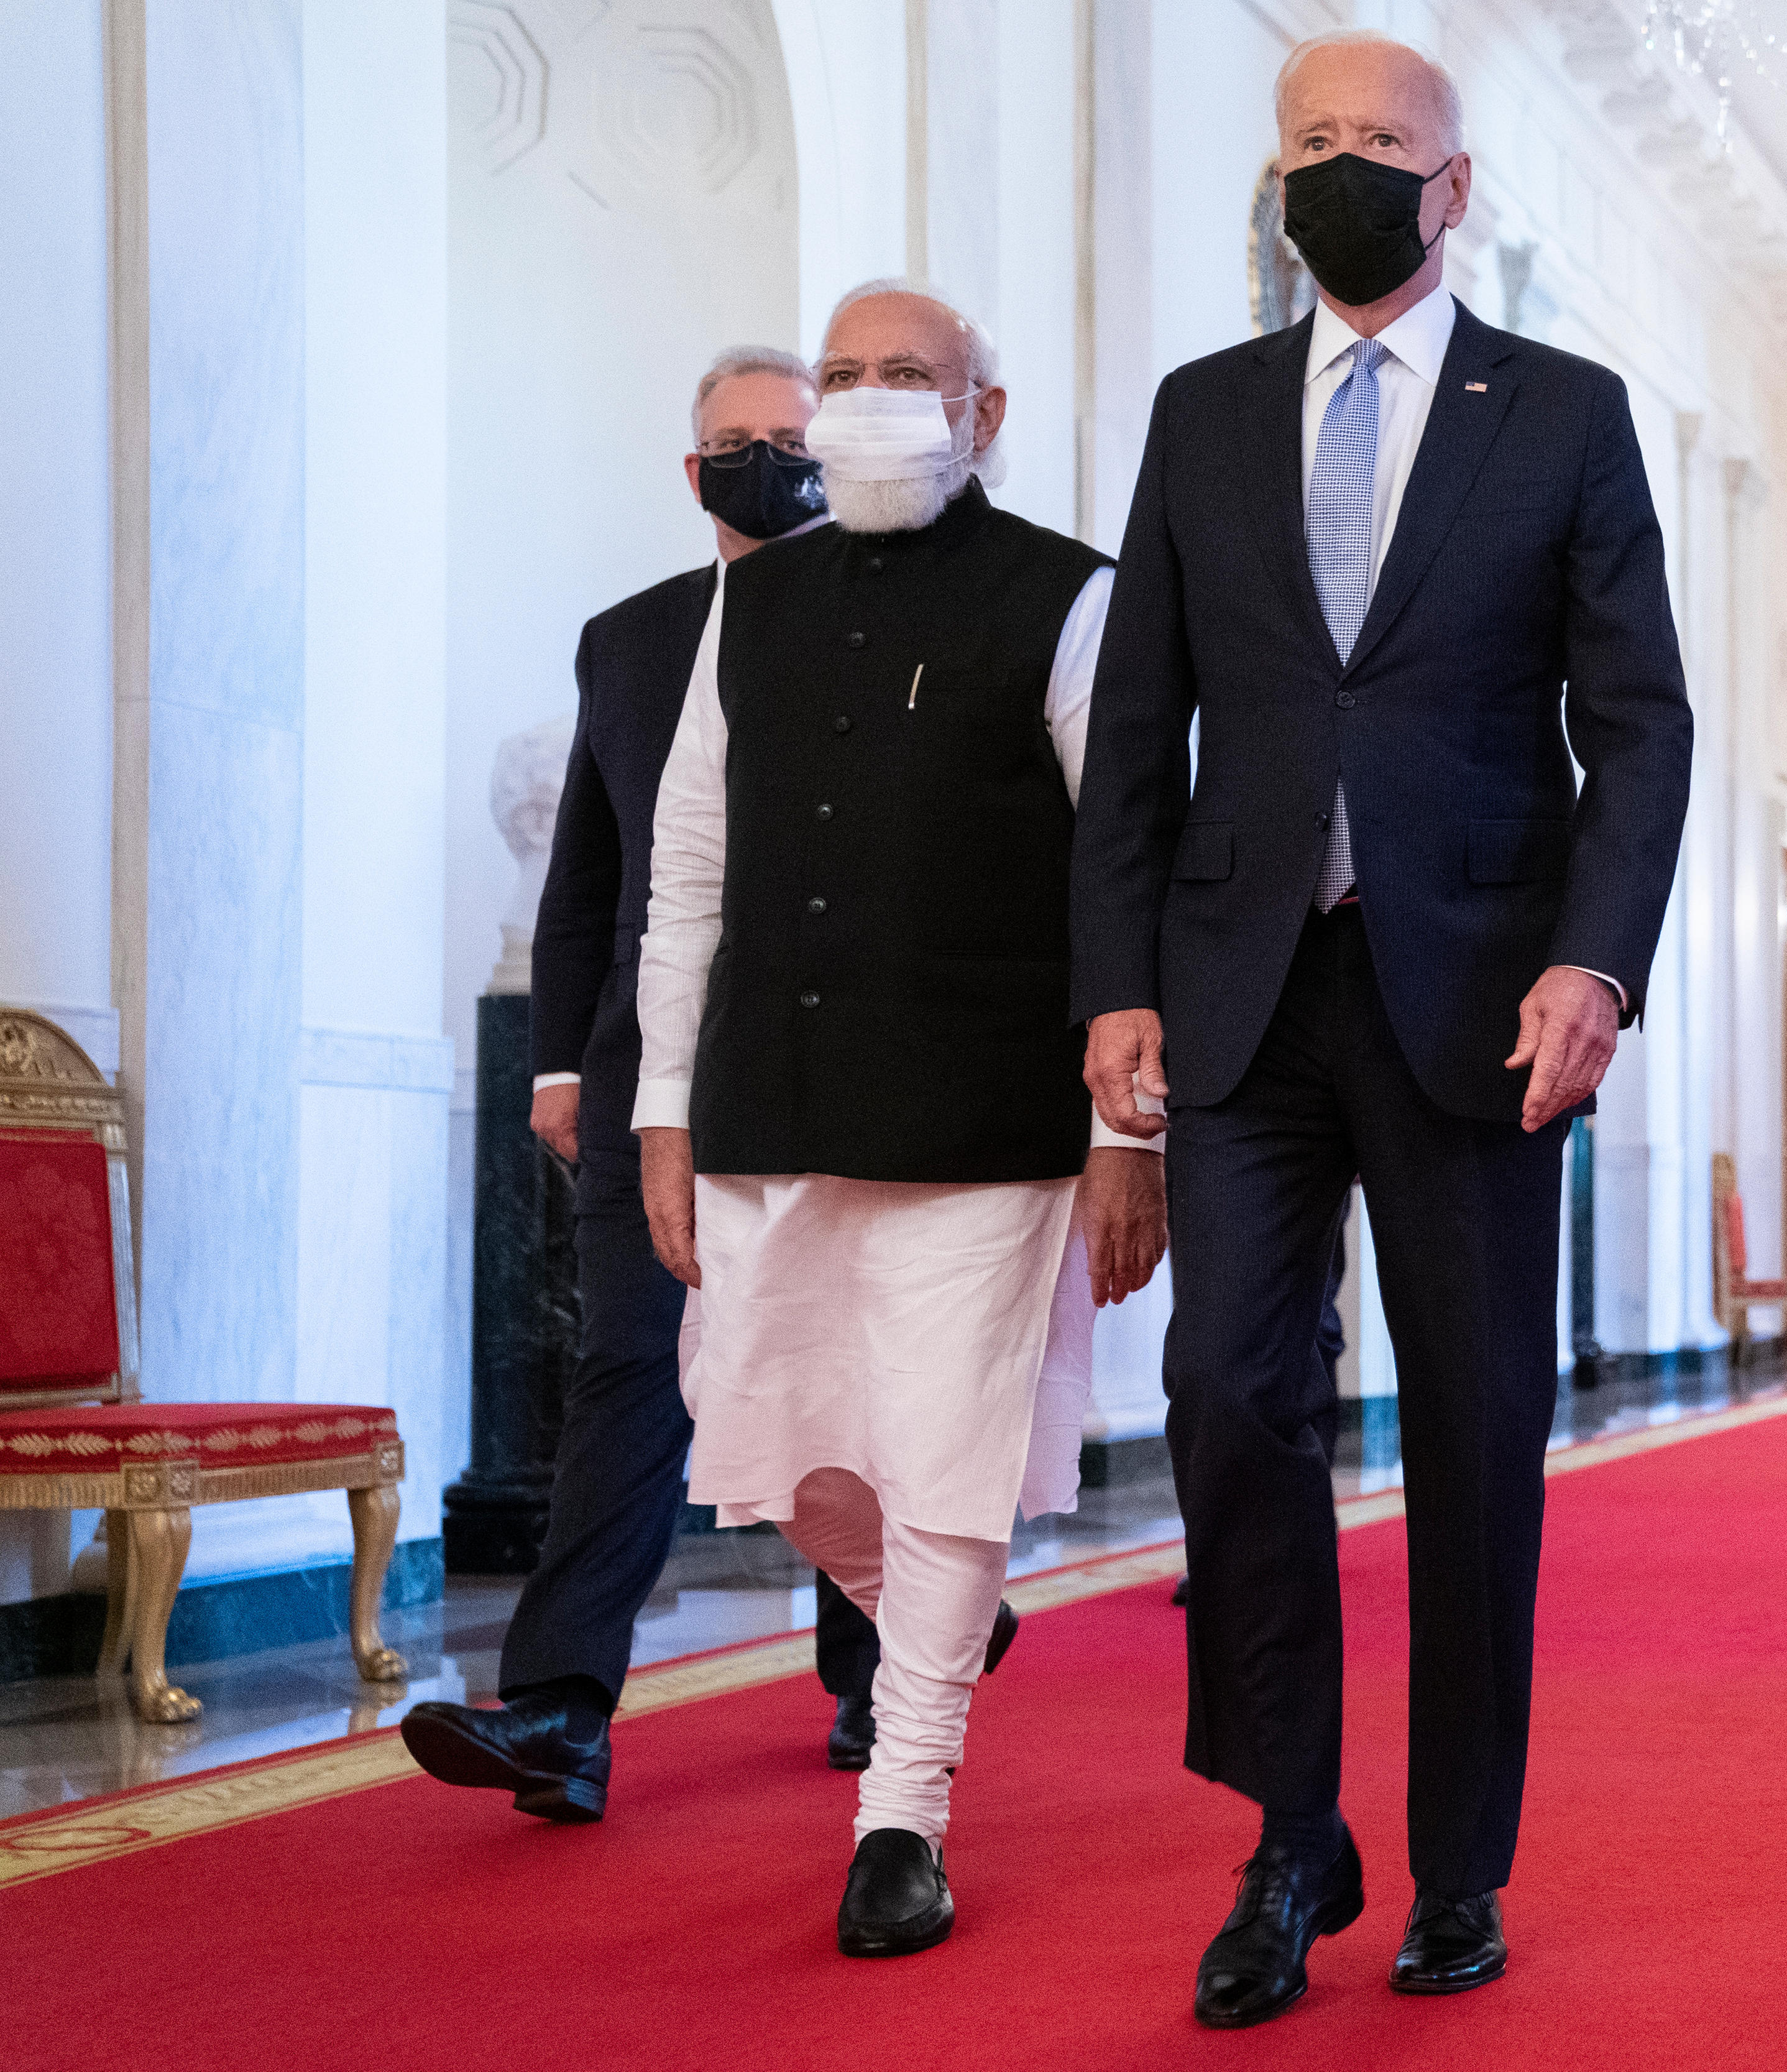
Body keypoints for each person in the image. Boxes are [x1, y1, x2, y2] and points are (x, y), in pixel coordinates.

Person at [1073, 28, 1693, 2028]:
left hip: (1484, 1005)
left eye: (1382, 143)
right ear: (1279, 177)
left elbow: (1644, 724)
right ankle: (1286, 1835)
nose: (1342, 167)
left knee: (1475, 1432)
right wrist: (1117, 987)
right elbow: (1134, 739)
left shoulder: (1568, 413)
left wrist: (1595, 960)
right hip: (1245, 994)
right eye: (1309, 140)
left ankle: (1457, 1860)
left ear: (1456, 184)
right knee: (1232, 1404)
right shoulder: (1200, 414)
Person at [633, 280, 1168, 1958]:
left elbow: (1125, 869)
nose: (872, 399)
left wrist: (1130, 1132)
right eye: (847, 374)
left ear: (982, 412)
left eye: (910, 376)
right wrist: (661, 1105)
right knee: (770, 1433)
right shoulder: (753, 605)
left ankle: (903, 1812)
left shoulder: (1069, 598)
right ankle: (943, 1620)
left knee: (944, 1457)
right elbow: (692, 867)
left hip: (989, 1113)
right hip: (769, 1097)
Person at [401, 346, 893, 1820]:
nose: (763, 461)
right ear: (694, 472)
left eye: (788, 438)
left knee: (841, 1378)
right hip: (646, 1074)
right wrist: (560, 1057)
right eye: (734, 441)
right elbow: (584, 880)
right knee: (625, 1370)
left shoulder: (894, 619)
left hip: (836, 1058)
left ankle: (879, 1669)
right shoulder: (626, 639)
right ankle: (560, 1708)